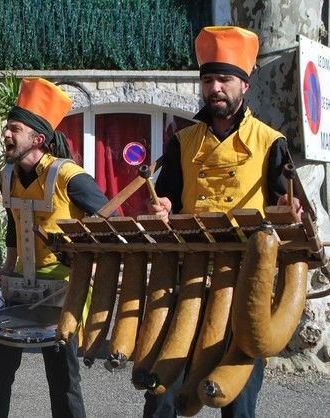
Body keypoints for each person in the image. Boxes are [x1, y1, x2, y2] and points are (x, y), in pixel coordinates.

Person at [145, 26, 299, 418]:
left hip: (246, 285)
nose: (215, 88)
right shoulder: (182, 141)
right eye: (208, 79)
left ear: (243, 86)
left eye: (224, 80)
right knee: (161, 395)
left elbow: (289, 205)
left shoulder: (271, 141)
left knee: (235, 402)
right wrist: (162, 208)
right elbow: (169, 200)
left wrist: (288, 210)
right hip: (188, 280)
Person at [0, 77, 110, 418]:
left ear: (38, 139)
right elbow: (12, 222)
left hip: (63, 289)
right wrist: (8, 264)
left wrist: (87, 259)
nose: (6, 135)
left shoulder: (71, 177)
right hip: (21, 286)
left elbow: (111, 220)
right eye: (7, 128)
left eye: (14, 129)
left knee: (63, 376)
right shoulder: (8, 175)